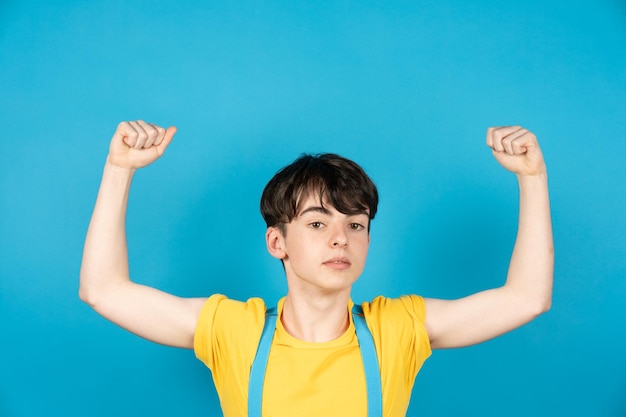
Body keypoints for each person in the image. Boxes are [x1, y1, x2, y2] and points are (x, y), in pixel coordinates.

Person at [80, 120, 553, 417]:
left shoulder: (399, 328)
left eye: (355, 224)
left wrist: (532, 179)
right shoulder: (231, 330)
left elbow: (527, 298)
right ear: (276, 241)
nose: (339, 238)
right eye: (316, 222)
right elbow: (103, 289)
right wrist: (119, 167)